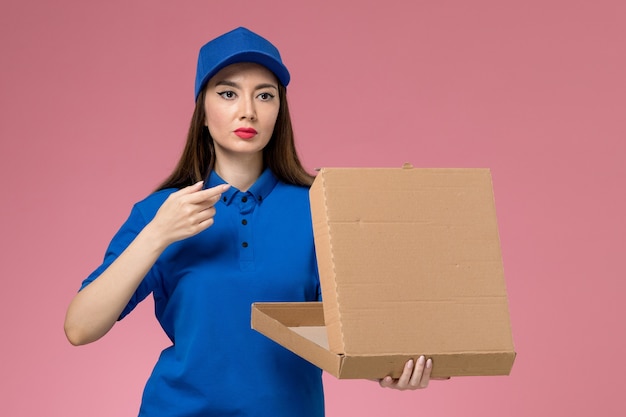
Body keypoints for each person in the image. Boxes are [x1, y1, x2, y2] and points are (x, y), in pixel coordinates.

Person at [64, 27, 435, 417]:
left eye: (265, 95)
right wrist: (157, 234)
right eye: (228, 93)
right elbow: (80, 328)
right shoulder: (163, 211)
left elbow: (358, 331)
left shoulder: (321, 209)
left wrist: (390, 366)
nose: (248, 110)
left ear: (279, 111)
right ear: (202, 113)